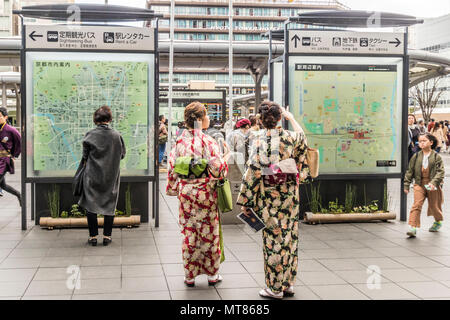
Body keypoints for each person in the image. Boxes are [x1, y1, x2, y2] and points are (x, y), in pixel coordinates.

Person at [237, 101, 309, 299]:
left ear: (260, 120)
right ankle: (288, 283)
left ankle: (274, 288)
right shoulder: (291, 137)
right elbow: (303, 140)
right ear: (279, 118)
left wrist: (246, 200)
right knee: (289, 237)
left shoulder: (259, 140)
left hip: (270, 197)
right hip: (290, 196)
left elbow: (252, 172)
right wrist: (291, 118)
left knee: (273, 240)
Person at [166, 101, 230, 287]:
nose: (208, 119)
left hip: (186, 192)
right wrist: (225, 158)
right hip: (205, 193)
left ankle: (190, 276)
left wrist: (174, 188)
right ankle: (212, 275)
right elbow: (219, 170)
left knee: (189, 233)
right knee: (209, 233)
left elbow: (172, 168)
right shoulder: (208, 141)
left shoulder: (179, 141)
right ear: (201, 120)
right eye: (206, 116)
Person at [78, 106, 126, 246]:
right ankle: (107, 236)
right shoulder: (116, 135)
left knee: (91, 205)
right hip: (111, 176)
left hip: (92, 175)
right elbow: (122, 155)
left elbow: (85, 156)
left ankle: (93, 236)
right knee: (109, 204)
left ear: (95, 119)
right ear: (109, 119)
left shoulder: (90, 135)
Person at [404, 133, 444, 237]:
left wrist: (433, 183)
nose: (421, 143)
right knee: (416, 205)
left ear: (431, 142)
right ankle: (413, 227)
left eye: (424, 141)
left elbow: (440, 172)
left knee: (434, 206)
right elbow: (409, 171)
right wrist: (406, 185)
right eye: (420, 141)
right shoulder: (416, 156)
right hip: (419, 184)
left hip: (432, 185)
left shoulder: (436, 157)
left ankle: (438, 221)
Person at [0, 107, 21, 206]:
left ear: (5, 117)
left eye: (0, 117)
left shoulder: (11, 130)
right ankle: (19, 194)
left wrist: (14, 155)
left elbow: (19, 141)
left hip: (4, 161)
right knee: (3, 186)